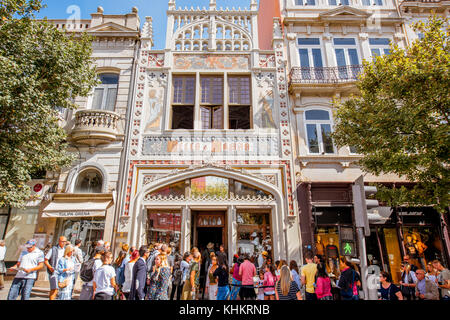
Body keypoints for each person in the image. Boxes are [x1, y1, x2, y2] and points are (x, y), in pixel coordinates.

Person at [44, 236, 67, 300]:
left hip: (62, 272)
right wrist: (50, 267)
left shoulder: (65, 250)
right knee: (54, 289)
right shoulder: (53, 249)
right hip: (54, 271)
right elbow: (45, 260)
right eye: (62, 241)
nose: (64, 243)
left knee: (61, 290)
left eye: (65, 241)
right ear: (59, 241)